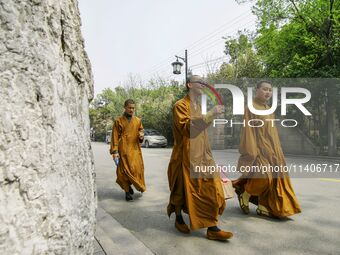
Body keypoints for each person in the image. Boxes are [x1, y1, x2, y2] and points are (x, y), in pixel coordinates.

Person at [167, 75, 233, 241]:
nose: (204, 84)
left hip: (203, 155)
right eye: (200, 82)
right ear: (190, 85)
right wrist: (210, 113)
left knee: (211, 188)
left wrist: (211, 115)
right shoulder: (180, 105)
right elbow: (188, 128)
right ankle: (179, 218)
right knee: (181, 190)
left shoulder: (197, 106)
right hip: (186, 157)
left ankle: (212, 228)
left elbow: (202, 131)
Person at [232, 81, 301, 218]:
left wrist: (278, 150)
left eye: (270, 90)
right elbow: (248, 131)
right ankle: (245, 194)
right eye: (265, 89)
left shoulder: (268, 108)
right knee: (265, 177)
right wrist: (251, 152)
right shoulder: (251, 108)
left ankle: (264, 206)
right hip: (259, 150)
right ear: (257, 90)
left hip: (273, 150)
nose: (268, 92)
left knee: (275, 179)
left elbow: (272, 132)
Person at [110, 99, 146, 201]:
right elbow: (115, 137)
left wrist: (141, 135)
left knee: (137, 170)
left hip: (135, 150)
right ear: (125, 107)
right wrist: (115, 152)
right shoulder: (118, 121)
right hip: (123, 150)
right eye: (129, 108)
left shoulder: (138, 121)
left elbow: (141, 132)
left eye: (133, 108)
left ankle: (130, 186)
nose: (131, 110)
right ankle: (127, 192)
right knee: (124, 172)